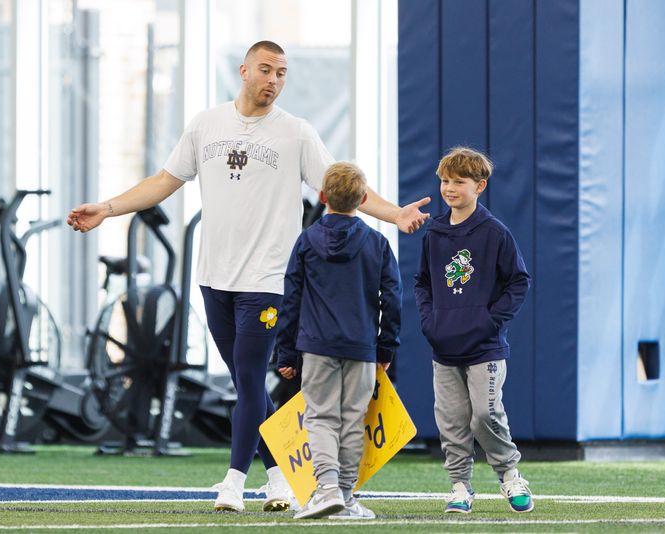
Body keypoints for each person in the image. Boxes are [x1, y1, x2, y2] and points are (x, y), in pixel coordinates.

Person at [67, 40, 429, 513]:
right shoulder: (206, 124)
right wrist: (108, 208)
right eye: (265, 70)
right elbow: (163, 181)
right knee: (247, 385)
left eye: (281, 73)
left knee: (251, 377)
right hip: (214, 277)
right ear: (244, 71)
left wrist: (395, 214)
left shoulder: (296, 133)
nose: (274, 80)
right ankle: (278, 478)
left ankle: (233, 483)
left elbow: (346, 188)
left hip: (266, 281)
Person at [276, 162, 400, 520]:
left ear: (322, 196)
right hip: (361, 348)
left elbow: (291, 298)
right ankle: (345, 495)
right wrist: (386, 347)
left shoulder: (306, 241)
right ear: (363, 199)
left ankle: (326, 487)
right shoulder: (377, 243)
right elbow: (392, 298)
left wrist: (286, 352)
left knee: (320, 417)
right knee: (351, 420)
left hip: (316, 347)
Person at [414, 146, 533, 514]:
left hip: (485, 348)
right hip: (444, 347)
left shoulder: (494, 232)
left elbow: (518, 281)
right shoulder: (433, 232)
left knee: (485, 414)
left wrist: (489, 320)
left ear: (479, 186)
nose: (449, 188)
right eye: (445, 181)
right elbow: (422, 282)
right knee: (451, 422)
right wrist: (430, 321)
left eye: (459, 182)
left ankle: (510, 475)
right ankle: (460, 487)